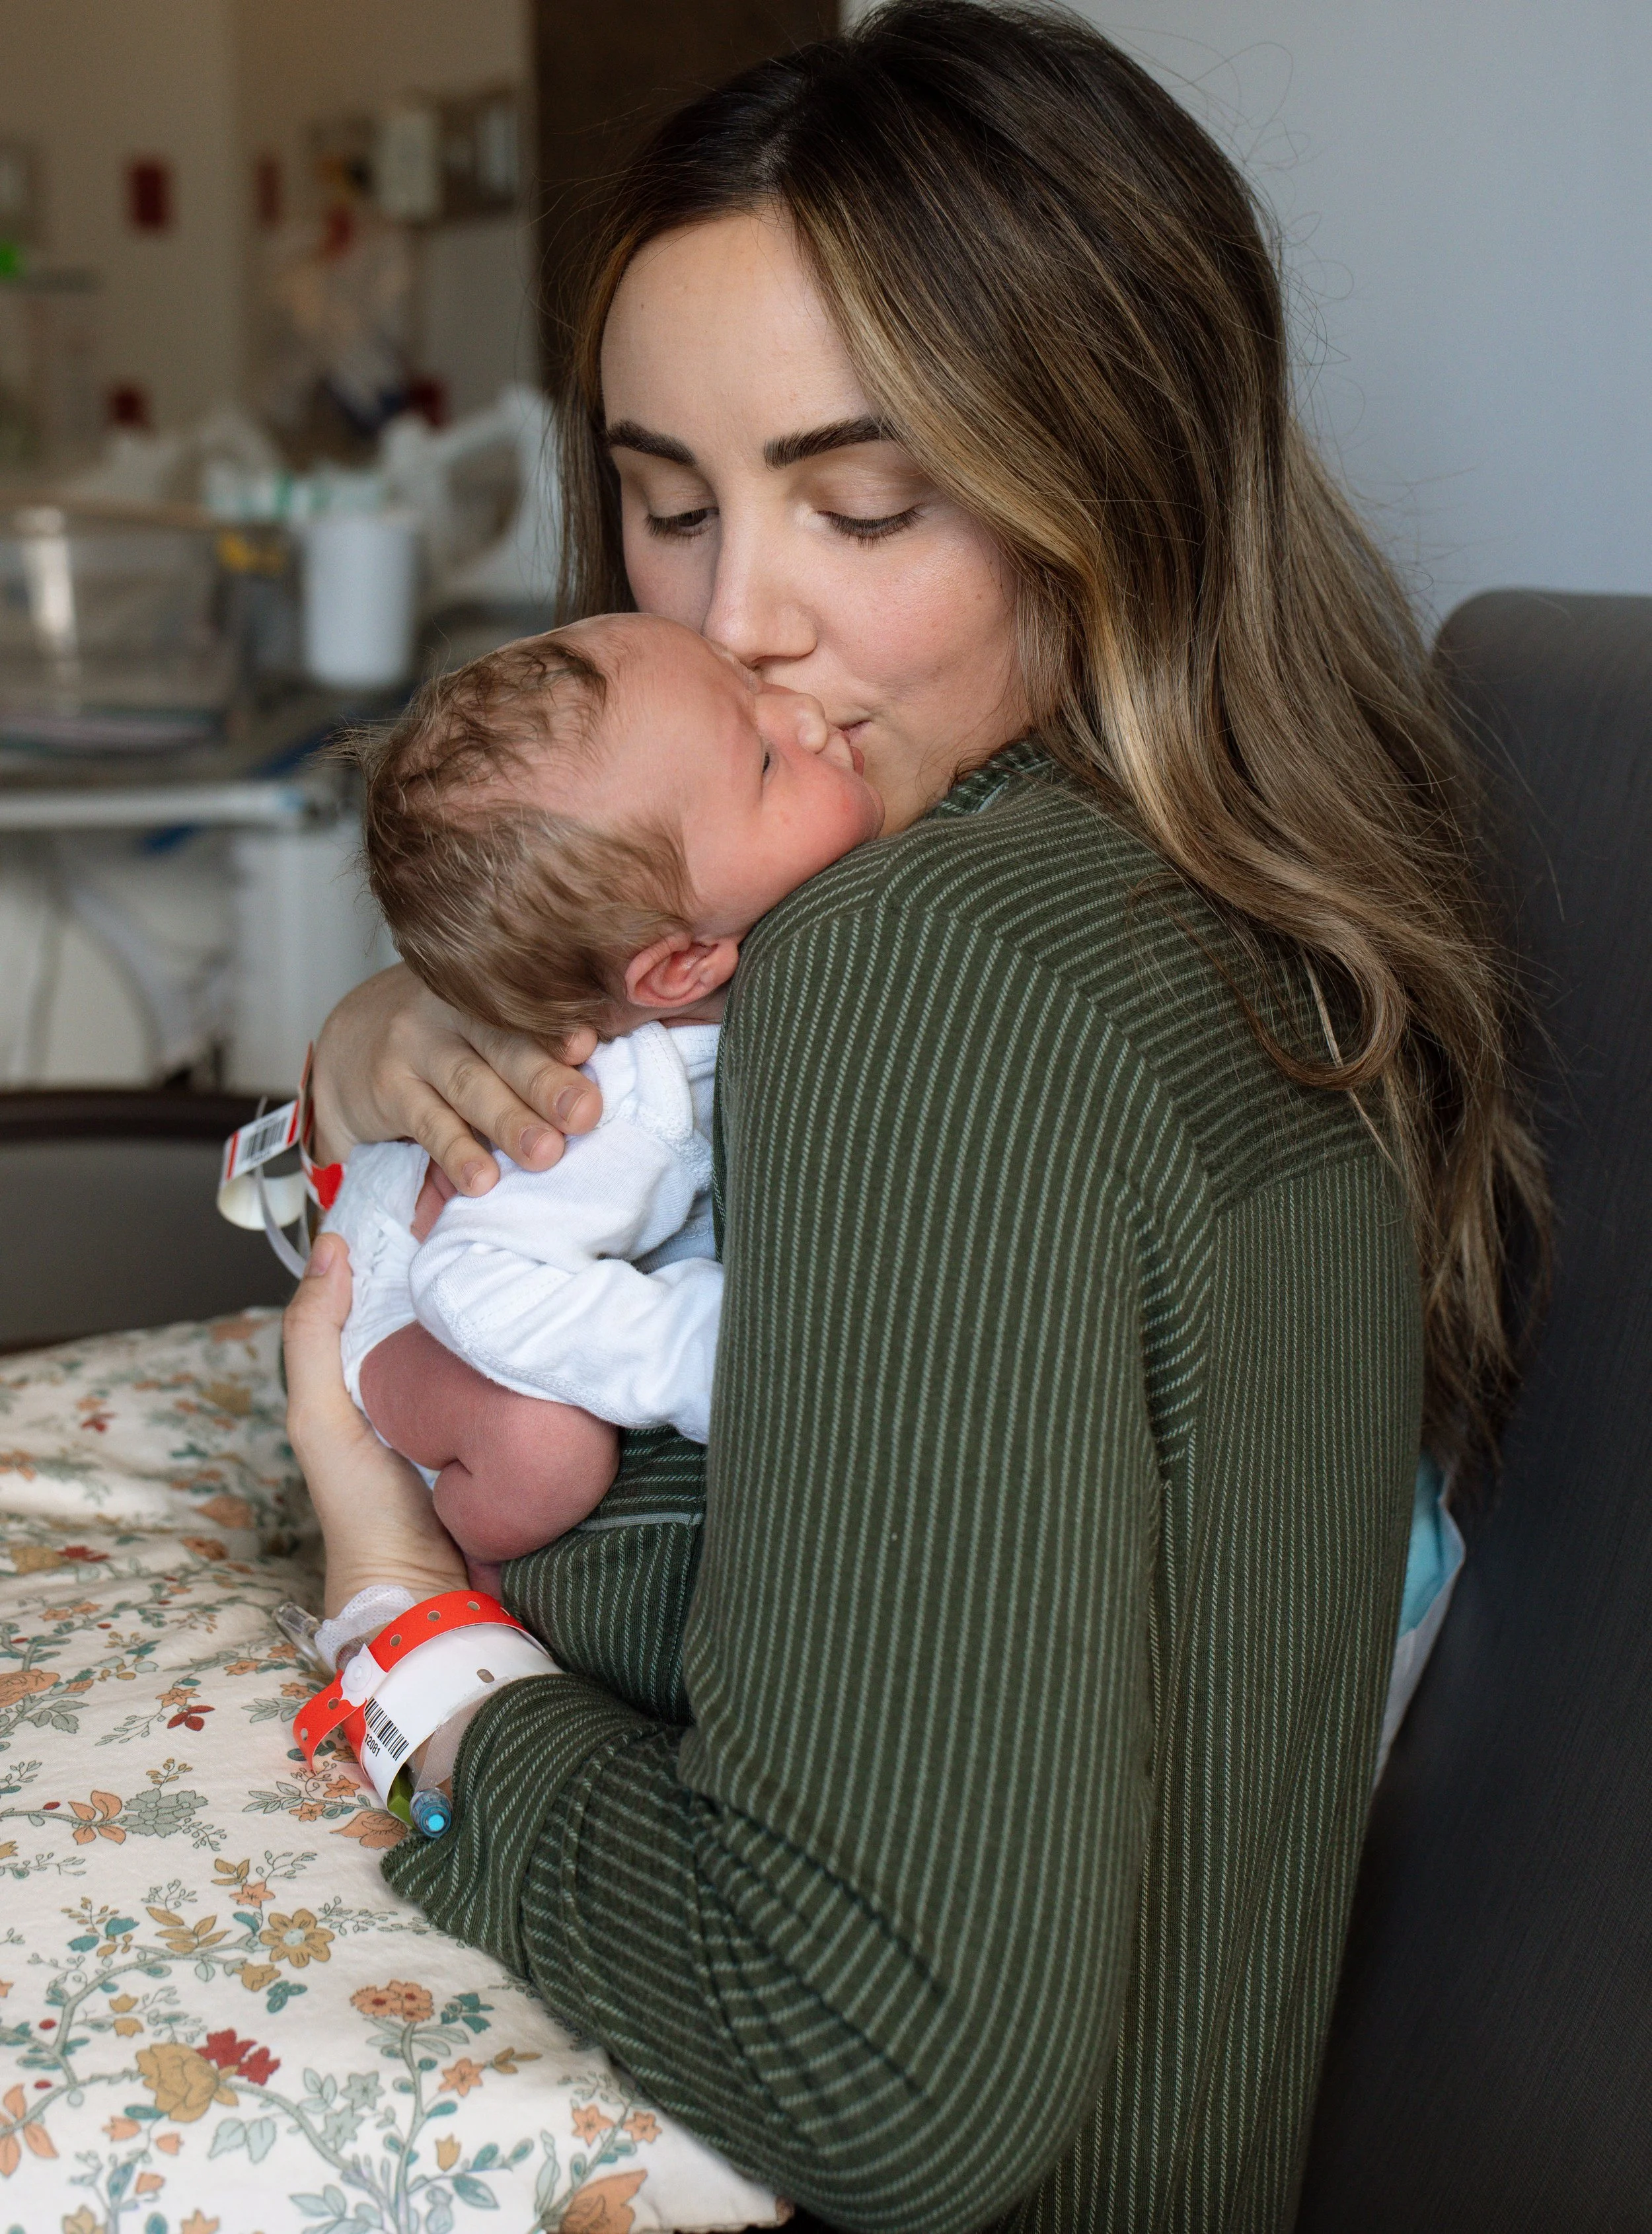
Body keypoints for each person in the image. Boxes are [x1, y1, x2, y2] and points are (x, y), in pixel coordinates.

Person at [282, 5, 1546, 2226]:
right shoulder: (1217, 912)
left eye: (863, 506)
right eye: (666, 507)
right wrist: (389, 1028)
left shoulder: (918, 979)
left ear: (1112, 485)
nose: (735, 618)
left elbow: (864, 2055)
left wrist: (410, 1634)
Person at [321, 613, 883, 1592]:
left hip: (460, 1277)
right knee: (548, 1450)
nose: (804, 713)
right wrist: (706, 1345)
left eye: (742, 678)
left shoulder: (737, 968)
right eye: (761, 761)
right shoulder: (625, 1107)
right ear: (679, 965)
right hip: (400, 1308)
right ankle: (442, 1562)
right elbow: (474, 1278)